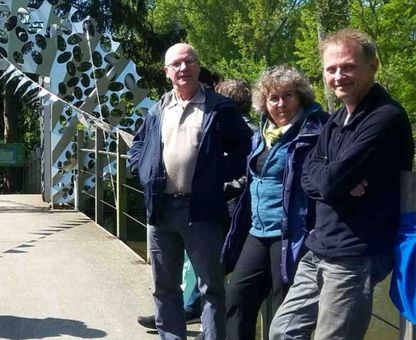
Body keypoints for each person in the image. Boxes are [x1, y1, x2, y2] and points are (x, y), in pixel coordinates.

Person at [269, 29, 415, 340]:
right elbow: (311, 175)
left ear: (373, 66)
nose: (338, 76)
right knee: (282, 330)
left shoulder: (385, 117)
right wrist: (332, 178)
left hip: (355, 253)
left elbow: (330, 180)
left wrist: (331, 178)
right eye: (331, 69)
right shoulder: (337, 119)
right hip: (319, 245)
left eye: (347, 67)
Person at [127, 43, 251, 340]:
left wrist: (216, 174)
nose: (183, 69)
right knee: (165, 286)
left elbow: (245, 147)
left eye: (189, 62)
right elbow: (137, 146)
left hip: (202, 210)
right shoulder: (158, 109)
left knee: (211, 288)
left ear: (198, 66)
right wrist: (143, 172)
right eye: (176, 64)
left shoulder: (219, 108)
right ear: (167, 72)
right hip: (160, 208)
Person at [220, 66, 327, 340]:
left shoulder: (316, 131)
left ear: (301, 97)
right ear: (264, 103)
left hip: (292, 233)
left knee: (284, 308)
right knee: (237, 298)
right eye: (273, 98)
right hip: (258, 230)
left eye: (288, 95)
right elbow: (257, 176)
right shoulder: (261, 133)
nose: (281, 104)